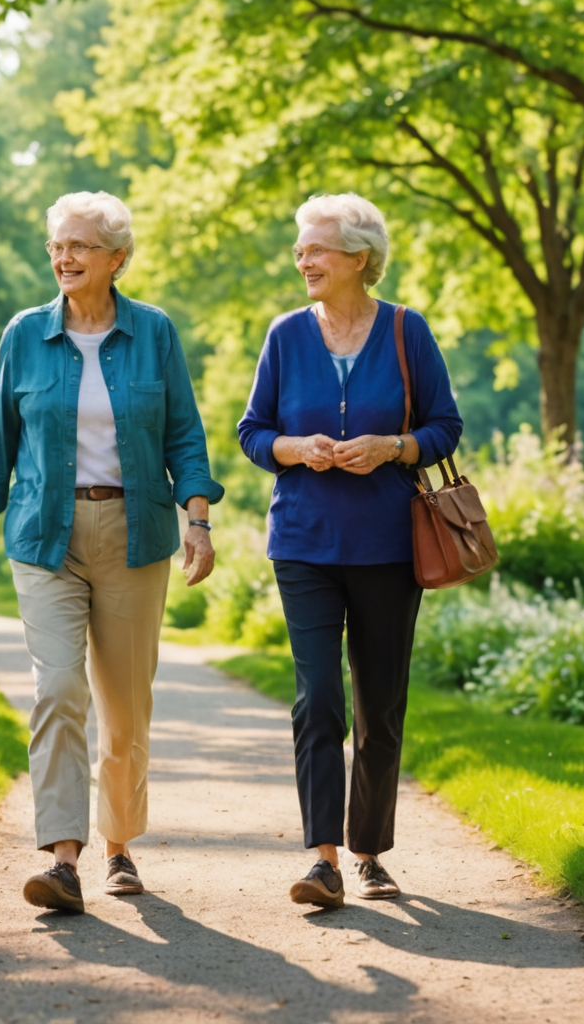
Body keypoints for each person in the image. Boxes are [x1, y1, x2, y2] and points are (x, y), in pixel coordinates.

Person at [0, 190, 222, 915]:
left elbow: (185, 436)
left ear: (117, 258)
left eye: (79, 246)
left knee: (125, 708)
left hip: (135, 535)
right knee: (58, 690)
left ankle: (118, 845)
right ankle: (63, 858)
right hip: (45, 537)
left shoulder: (154, 333)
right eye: (56, 245)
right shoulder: (24, 336)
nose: (63, 258)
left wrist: (197, 522)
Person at [236, 193, 463, 909]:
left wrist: (394, 447)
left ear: (359, 258)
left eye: (316, 249)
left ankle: (369, 852)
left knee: (379, 705)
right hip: (303, 542)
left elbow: (444, 427)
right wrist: (295, 449)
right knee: (319, 701)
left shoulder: (406, 330)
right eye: (300, 249)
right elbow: (251, 433)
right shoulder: (285, 335)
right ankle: (323, 859)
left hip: (390, 546)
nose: (302, 259)